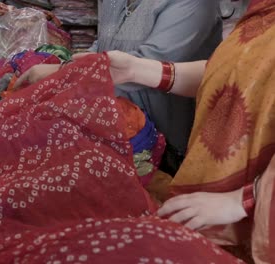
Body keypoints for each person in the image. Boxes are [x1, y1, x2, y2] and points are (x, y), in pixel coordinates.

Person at [70, 0, 274, 260]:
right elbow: (234, 71)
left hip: (252, 213)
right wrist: (137, 70)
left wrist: (244, 199)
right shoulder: (263, 11)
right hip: (218, 193)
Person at [16, 0, 222, 175]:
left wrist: (62, 72)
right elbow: (103, 47)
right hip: (106, 126)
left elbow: (148, 65)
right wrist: (66, 69)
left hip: (163, 148)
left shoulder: (194, 3)